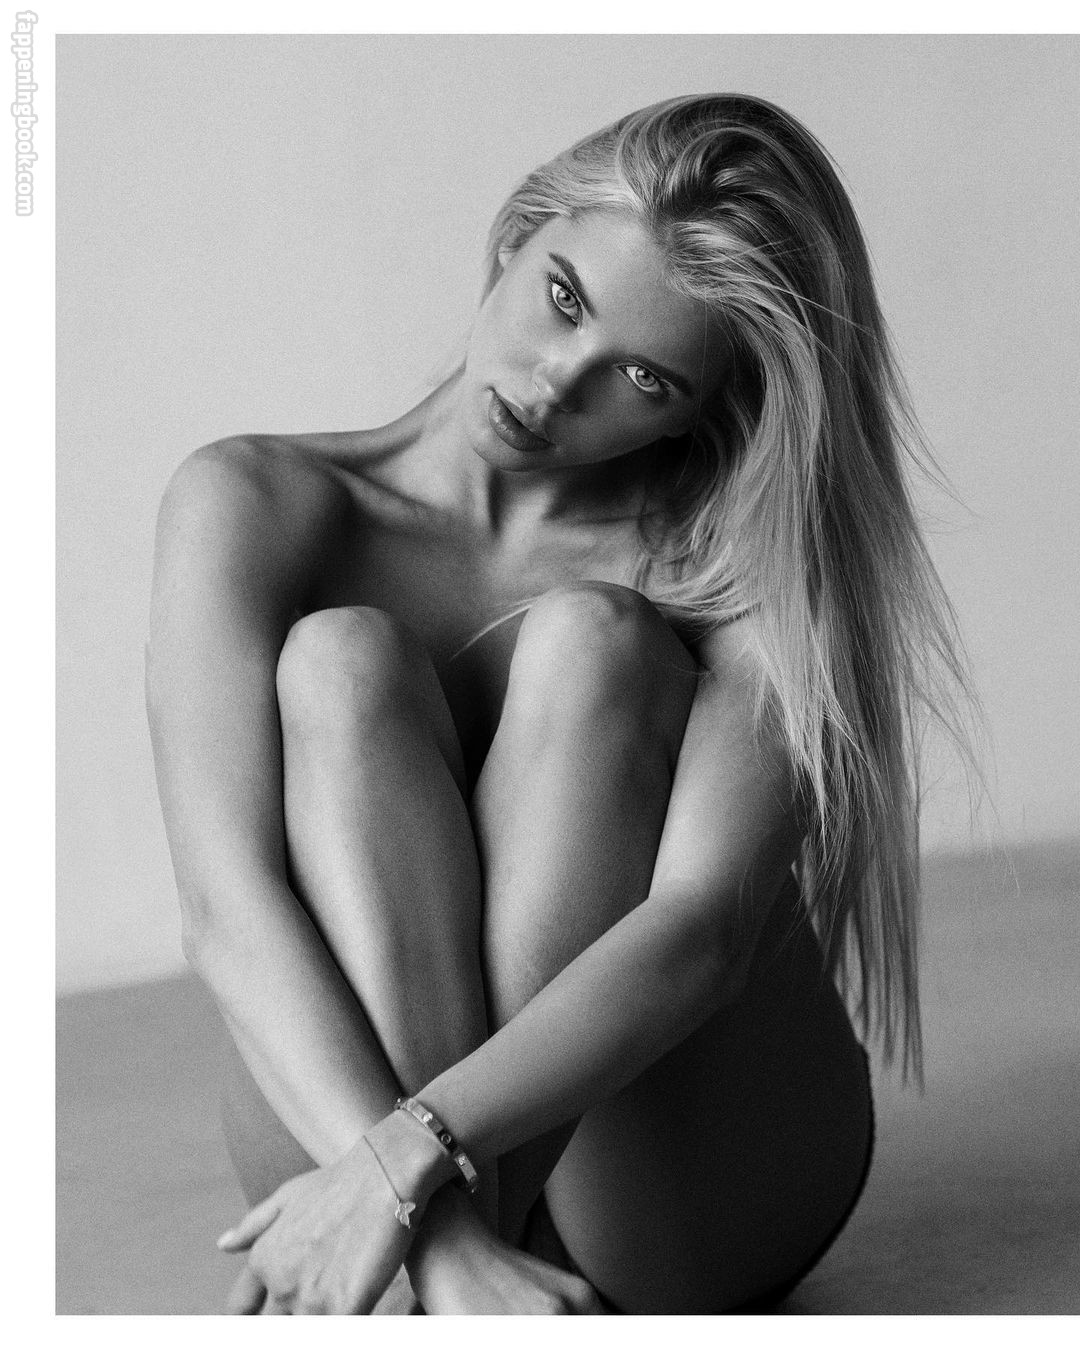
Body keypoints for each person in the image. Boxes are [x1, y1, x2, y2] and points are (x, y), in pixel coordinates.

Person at [146, 92, 975, 1314]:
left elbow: (702, 933)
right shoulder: (255, 503)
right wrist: (440, 1237)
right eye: (565, 298)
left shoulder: (737, 563)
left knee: (597, 642)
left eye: (642, 377)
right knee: (337, 663)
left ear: (706, 406)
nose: (552, 385)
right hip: (342, 1137)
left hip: (678, 1175)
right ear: (522, 230)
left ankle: (438, 1242)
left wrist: (411, 1163)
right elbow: (225, 907)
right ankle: (463, 1268)